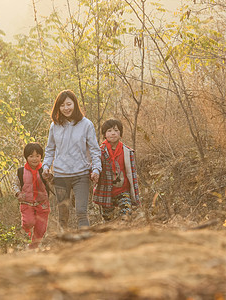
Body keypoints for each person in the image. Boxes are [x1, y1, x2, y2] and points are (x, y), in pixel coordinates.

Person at [42, 89, 101, 230]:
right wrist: (46, 166)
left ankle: (85, 242)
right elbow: (50, 149)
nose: (66, 108)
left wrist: (96, 169)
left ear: (75, 104)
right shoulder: (54, 126)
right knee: (63, 214)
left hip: (81, 175)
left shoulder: (86, 124)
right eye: (62, 105)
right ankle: (65, 245)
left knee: (81, 211)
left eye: (69, 104)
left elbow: (94, 149)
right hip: (61, 176)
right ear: (58, 107)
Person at [93, 119, 140, 221]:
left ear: (120, 134)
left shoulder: (127, 152)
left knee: (126, 213)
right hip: (106, 192)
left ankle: (125, 233)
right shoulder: (99, 152)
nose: (113, 133)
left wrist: (135, 194)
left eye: (116, 130)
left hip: (123, 191)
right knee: (108, 219)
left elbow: (132, 173)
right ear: (105, 134)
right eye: (109, 131)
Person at [13, 142, 50, 249]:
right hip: (26, 202)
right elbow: (15, 184)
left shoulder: (44, 170)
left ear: (41, 157)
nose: (34, 159)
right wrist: (18, 193)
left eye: (37, 156)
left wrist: (50, 177)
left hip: (42, 204)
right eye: (31, 156)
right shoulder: (21, 171)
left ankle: (33, 248)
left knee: (41, 229)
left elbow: (51, 182)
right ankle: (25, 238)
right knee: (28, 222)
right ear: (26, 157)